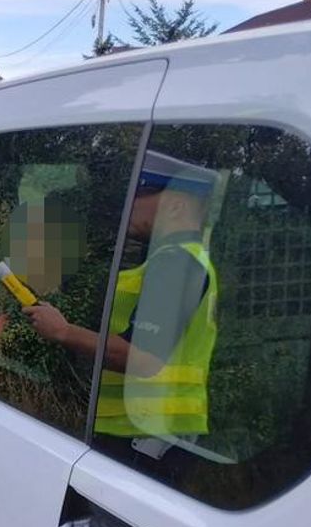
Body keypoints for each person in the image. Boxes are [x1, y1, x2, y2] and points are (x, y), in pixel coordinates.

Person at [21, 157, 218, 445]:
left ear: (175, 205)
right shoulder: (181, 258)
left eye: (137, 197)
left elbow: (144, 358)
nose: (128, 208)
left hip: (141, 437)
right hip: (147, 431)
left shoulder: (177, 262)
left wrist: (63, 331)